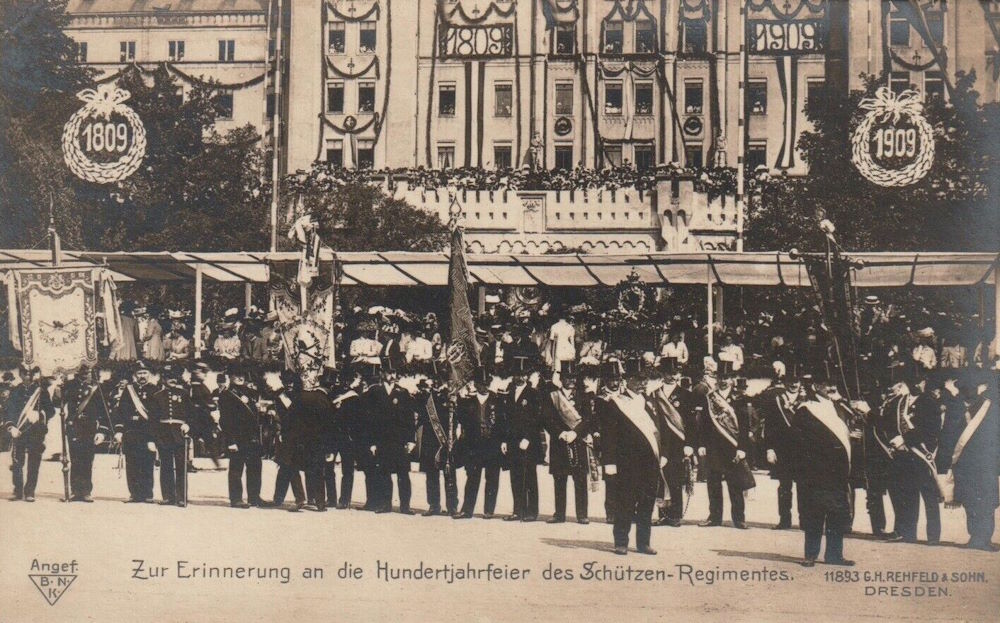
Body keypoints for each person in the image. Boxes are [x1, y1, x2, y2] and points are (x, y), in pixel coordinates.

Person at [600, 362, 668, 555]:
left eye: (645, 379)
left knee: (647, 503)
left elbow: (661, 429)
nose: (642, 383)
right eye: (638, 379)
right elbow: (609, 436)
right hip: (627, 463)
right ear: (627, 380)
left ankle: (643, 543)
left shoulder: (651, 402)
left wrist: (664, 453)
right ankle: (621, 542)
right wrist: (609, 463)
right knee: (626, 503)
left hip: (650, 462)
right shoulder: (615, 403)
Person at [793, 379, 855, 567]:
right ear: (815, 387)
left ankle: (834, 555)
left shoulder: (840, 408)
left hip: (839, 471)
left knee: (836, 514)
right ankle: (810, 555)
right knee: (815, 514)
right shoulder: (805, 410)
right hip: (817, 470)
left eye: (832, 384)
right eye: (825, 384)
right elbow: (799, 442)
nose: (831, 388)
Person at [881, 373, 942, 544]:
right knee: (907, 495)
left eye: (919, 381)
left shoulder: (930, 403)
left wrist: (906, 439)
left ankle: (933, 536)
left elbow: (931, 430)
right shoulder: (898, 402)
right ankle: (907, 533)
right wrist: (896, 440)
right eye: (912, 381)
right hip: (904, 456)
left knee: (929, 496)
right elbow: (888, 424)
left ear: (924, 382)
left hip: (921, 454)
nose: (917, 385)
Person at [951, 371, 999, 551]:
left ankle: (983, 538)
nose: (965, 394)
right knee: (973, 501)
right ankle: (977, 538)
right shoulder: (966, 408)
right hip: (974, 463)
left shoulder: (991, 407)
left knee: (983, 501)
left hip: (983, 463)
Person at [647, 367, 697, 527]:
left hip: (678, 443)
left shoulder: (687, 395)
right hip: (660, 440)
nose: (672, 376)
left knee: (675, 478)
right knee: (661, 477)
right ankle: (662, 515)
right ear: (663, 374)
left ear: (679, 375)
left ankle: (675, 515)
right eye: (669, 372)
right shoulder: (654, 394)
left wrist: (690, 444)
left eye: (675, 373)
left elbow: (691, 423)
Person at [698, 377, 751, 529]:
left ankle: (739, 518)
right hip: (714, 447)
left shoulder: (739, 398)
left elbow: (744, 426)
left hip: (733, 447)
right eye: (720, 377)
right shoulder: (709, 398)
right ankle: (714, 517)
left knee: (735, 484)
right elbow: (704, 424)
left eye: (726, 378)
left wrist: (742, 448)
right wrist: (701, 444)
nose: (723, 381)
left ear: (731, 380)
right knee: (713, 483)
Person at [454, 369, 507, 519]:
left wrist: (503, 440)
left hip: (492, 444)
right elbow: (461, 420)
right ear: (476, 384)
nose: (484, 387)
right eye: (481, 384)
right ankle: (467, 510)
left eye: (487, 383)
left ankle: (489, 510)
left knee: (492, 478)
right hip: (474, 445)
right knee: (472, 477)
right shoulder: (467, 401)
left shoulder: (497, 400)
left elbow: (503, 423)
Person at [542, 368, 593, 524]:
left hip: (578, 441)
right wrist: (559, 433)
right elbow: (547, 418)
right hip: (560, 442)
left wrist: (576, 433)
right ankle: (559, 514)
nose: (571, 381)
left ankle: (582, 514)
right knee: (559, 478)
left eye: (573, 378)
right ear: (562, 379)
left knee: (580, 479)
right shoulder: (552, 396)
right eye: (568, 377)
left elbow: (588, 419)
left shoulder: (583, 396)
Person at [366, 369, 415, 514]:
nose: (392, 376)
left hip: (399, 441)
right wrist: (372, 442)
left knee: (403, 474)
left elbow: (409, 418)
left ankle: (405, 506)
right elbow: (370, 419)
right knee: (384, 473)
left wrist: (411, 440)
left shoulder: (403, 393)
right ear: (382, 374)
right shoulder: (375, 392)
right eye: (389, 373)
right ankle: (385, 504)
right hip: (382, 440)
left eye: (394, 373)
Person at [4, 367, 56, 502]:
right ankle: (18, 490)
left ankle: (30, 491)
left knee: (34, 462)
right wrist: (11, 427)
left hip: (35, 431)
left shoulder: (41, 391)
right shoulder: (15, 391)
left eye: (31, 373)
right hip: (19, 431)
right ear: (20, 374)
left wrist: (40, 414)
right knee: (17, 461)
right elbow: (8, 410)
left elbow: (51, 410)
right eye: (25, 373)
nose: (28, 376)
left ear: (34, 375)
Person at [218, 365, 264, 508]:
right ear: (230, 377)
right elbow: (225, 420)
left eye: (243, 374)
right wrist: (231, 441)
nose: (240, 377)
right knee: (236, 469)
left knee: (255, 468)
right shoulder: (226, 395)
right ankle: (236, 498)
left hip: (252, 437)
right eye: (236, 374)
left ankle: (254, 497)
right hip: (237, 437)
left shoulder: (251, 393)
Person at [759, 374, 801, 529]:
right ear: (784, 382)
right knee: (784, 486)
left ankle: (805, 520)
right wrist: (769, 448)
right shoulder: (775, 399)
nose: (794, 384)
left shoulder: (808, 399)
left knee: (805, 487)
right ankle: (785, 519)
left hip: (805, 450)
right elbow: (769, 425)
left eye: (796, 381)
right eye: (790, 381)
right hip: (783, 449)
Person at [64, 367, 111, 502]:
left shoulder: (98, 389)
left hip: (89, 428)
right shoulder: (70, 385)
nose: (85, 375)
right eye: (82, 373)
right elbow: (58, 403)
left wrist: (102, 431)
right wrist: (58, 391)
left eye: (88, 373)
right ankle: (75, 491)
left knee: (87, 459)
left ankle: (85, 491)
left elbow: (105, 411)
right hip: (73, 426)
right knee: (75, 459)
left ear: (92, 373)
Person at [112, 362, 158, 503]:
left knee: (147, 463)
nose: (142, 376)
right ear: (135, 376)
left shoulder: (155, 390)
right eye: (139, 373)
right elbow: (121, 412)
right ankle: (134, 494)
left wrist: (153, 438)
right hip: (131, 432)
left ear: (149, 375)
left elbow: (156, 415)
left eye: (144, 373)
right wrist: (119, 430)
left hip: (146, 433)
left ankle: (147, 494)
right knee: (132, 463)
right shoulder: (129, 390)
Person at [415, 373, 459, 516]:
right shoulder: (425, 397)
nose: (436, 382)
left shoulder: (451, 395)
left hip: (447, 440)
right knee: (431, 474)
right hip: (430, 440)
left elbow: (457, 418)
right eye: (434, 380)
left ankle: (452, 506)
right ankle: (434, 505)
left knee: (449, 474)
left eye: (439, 380)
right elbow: (420, 417)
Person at [504, 367, 543, 522]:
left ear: (527, 376)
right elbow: (505, 418)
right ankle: (518, 510)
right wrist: (505, 440)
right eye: (517, 374)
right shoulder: (509, 392)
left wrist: (528, 438)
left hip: (528, 442)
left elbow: (536, 418)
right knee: (515, 476)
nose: (520, 377)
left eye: (522, 374)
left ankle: (532, 512)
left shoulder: (533, 393)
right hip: (513, 441)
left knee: (530, 477)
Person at [152, 364, 192, 506]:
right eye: (169, 377)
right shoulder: (157, 396)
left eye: (175, 377)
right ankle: (168, 496)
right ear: (164, 379)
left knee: (181, 465)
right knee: (166, 465)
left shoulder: (185, 394)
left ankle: (181, 497)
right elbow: (154, 419)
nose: (173, 380)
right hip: (164, 434)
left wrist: (188, 425)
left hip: (179, 434)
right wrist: (155, 437)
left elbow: (192, 414)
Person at [294, 367, 332, 511]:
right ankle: (320, 502)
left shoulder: (298, 397)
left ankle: (303, 498)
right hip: (318, 440)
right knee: (317, 471)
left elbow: (292, 420)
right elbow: (328, 422)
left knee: (299, 468)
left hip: (302, 440)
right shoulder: (322, 398)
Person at [327, 370, 363, 509]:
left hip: (347, 437)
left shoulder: (354, 398)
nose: (345, 384)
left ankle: (345, 499)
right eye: (342, 381)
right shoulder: (332, 394)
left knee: (347, 470)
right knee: (328, 467)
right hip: (332, 437)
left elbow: (357, 420)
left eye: (348, 381)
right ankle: (331, 498)